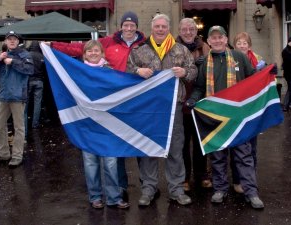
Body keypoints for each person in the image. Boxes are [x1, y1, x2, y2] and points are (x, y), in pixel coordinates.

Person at [49, 11, 146, 199]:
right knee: (116, 147)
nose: (128, 28)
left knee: (139, 142)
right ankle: (120, 187)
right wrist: (52, 46)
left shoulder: (144, 44)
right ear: (120, 26)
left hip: (136, 100)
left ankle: (146, 186)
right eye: (125, 25)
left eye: (131, 25)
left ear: (136, 27)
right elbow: (80, 48)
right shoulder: (108, 42)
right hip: (112, 103)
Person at [186, 25, 265, 209]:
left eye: (220, 37)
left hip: (238, 118)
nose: (217, 40)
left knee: (244, 156)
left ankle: (251, 192)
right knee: (218, 156)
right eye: (213, 38)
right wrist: (193, 99)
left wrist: (266, 76)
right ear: (208, 41)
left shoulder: (239, 57)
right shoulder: (205, 62)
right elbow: (199, 87)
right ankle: (220, 189)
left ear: (226, 39)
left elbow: (253, 80)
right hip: (215, 118)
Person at [126, 14, 197, 206]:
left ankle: (176, 189)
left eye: (163, 26)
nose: (160, 29)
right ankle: (149, 188)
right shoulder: (140, 50)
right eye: (157, 26)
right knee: (149, 147)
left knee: (175, 148)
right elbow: (127, 70)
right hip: (148, 108)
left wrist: (184, 73)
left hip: (174, 107)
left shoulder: (180, 49)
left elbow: (193, 71)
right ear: (152, 28)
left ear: (168, 28)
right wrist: (137, 71)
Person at [79, 40, 130, 209]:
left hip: (108, 123)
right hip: (87, 123)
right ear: (84, 54)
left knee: (110, 161)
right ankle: (95, 196)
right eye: (89, 51)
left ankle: (114, 197)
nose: (93, 53)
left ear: (102, 53)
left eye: (96, 51)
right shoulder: (78, 72)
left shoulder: (110, 72)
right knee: (90, 162)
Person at [176, 18, 212, 192]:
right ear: (179, 30)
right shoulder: (172, 47)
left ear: (196, 30)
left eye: (191, 29)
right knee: (182, 143)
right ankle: (184, 177)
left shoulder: (205, 47)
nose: (188, 32)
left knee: (200, 142)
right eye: (185, 29)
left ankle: (202, 174)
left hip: (200, 103)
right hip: (180, 102)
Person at [0, 31, 34, 168]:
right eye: (9, 39)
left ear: (18, 41)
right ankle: (3, 153)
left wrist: (12, 62)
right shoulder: (2, 55)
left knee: (19, 127)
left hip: (18, 96)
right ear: (5, 41)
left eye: (14, 39)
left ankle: (17, 156)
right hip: (3, 96)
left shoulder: (25, 55)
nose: (12, 41)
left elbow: (30, 70)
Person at [231, 31, 266, 194]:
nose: (242, 45)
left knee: (252, 146)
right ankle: (238, 180)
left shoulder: (258, 61)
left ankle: (251, 178)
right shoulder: (231, 59)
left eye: (245, 43)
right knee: (237, 145)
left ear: (249, 45)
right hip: (237, 107)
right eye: (239, 43)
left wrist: (268, 71)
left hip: (252, 108)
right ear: (234, 45)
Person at [25, 41, 46, 135]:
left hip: (28, 81)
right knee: (38, 103)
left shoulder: (27, 55)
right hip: (39, 81)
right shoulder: (42, 56)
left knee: (25, 102)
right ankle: (35, 123)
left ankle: (24, 123)